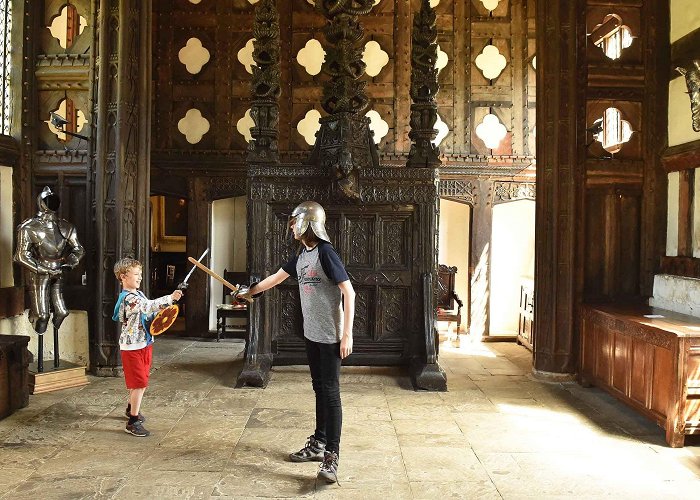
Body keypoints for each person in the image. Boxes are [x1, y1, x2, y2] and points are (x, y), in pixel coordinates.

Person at [235, 201, 355, 484]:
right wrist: (248, 292)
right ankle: (319, 443)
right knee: (319, 389)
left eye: (294, 222)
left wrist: (347, 334)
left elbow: (349, 292)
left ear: (308, 223)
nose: (290, 226)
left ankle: (331, 457)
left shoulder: (326, 253)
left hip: (329, 336)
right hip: (312, 334)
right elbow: (275, 279)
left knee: (330, 393)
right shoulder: (302, 254)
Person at [112, 257, 183, 437]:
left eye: (140, 274)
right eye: (136, 274)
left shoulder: (138, 294)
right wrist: (170, 298)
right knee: (139, 383)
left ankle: (131, 408)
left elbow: (150, 310)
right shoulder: (129, 298)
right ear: (123, 277)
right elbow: (148, 306)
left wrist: (169, 303)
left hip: (144, 342)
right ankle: (133, 421)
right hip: (132, 347)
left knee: (141, 380)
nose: (139, 277)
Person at [14, 186, 85, 335]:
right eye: (47, 201)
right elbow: (20, 255)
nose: (51, 204)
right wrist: (42, 269)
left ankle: (55, 330)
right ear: (41, 203)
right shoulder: (28, 227)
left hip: (59, 270)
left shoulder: (66, 226)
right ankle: (38, 327)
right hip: (38, 271)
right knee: (42, 315)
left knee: (62, 312)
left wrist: (69, 264)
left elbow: (78, 249)